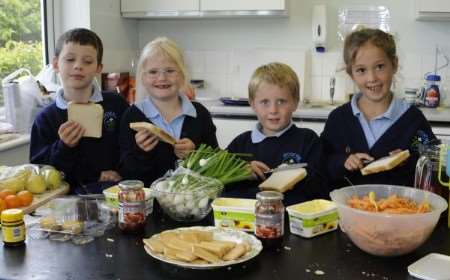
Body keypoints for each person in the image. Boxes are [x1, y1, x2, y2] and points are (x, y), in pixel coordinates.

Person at [320, 28, 436, 189]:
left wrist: (408, 162)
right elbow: (323, 163)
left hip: (399, 211)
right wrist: (342, 161)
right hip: (347, 210)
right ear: (350, 73)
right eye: (361, 70)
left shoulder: (413, 120)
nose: (372, 78)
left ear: (394, 65)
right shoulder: (338, 119)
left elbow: (431, 165)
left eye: (380, 66)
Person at [30, 28, 129, 193]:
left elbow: (129, 150)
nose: (78, 66)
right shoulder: (45, 119)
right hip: (67, 203)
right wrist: (64, 146)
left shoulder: (116, 104)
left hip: (115, 194)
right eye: (70, 59)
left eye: (88, 61)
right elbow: (40, 174)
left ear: (98, 68)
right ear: (56, 64)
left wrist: (120, 173)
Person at [118, 37, 218, 186]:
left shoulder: (199, 114)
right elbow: (126, 174)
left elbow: (216, 163)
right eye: (153, 72)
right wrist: (141, 153)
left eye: (170, 71)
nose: (162, 78)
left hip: (193, 203)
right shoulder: (132, 116)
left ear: (182, 74)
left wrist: (196, 155)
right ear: (143, 78)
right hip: (149, 204)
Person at [225, 62, 328, 206]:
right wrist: (241, 172)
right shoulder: (240, 143)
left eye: (281, 101)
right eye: (265, 102)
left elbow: (320, 190)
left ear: (295, 103)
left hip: (292, 221)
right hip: (245, 222)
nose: (273, 110)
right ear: (253, 104)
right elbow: (220, 188)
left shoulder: (308, 140)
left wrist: (293, 177)